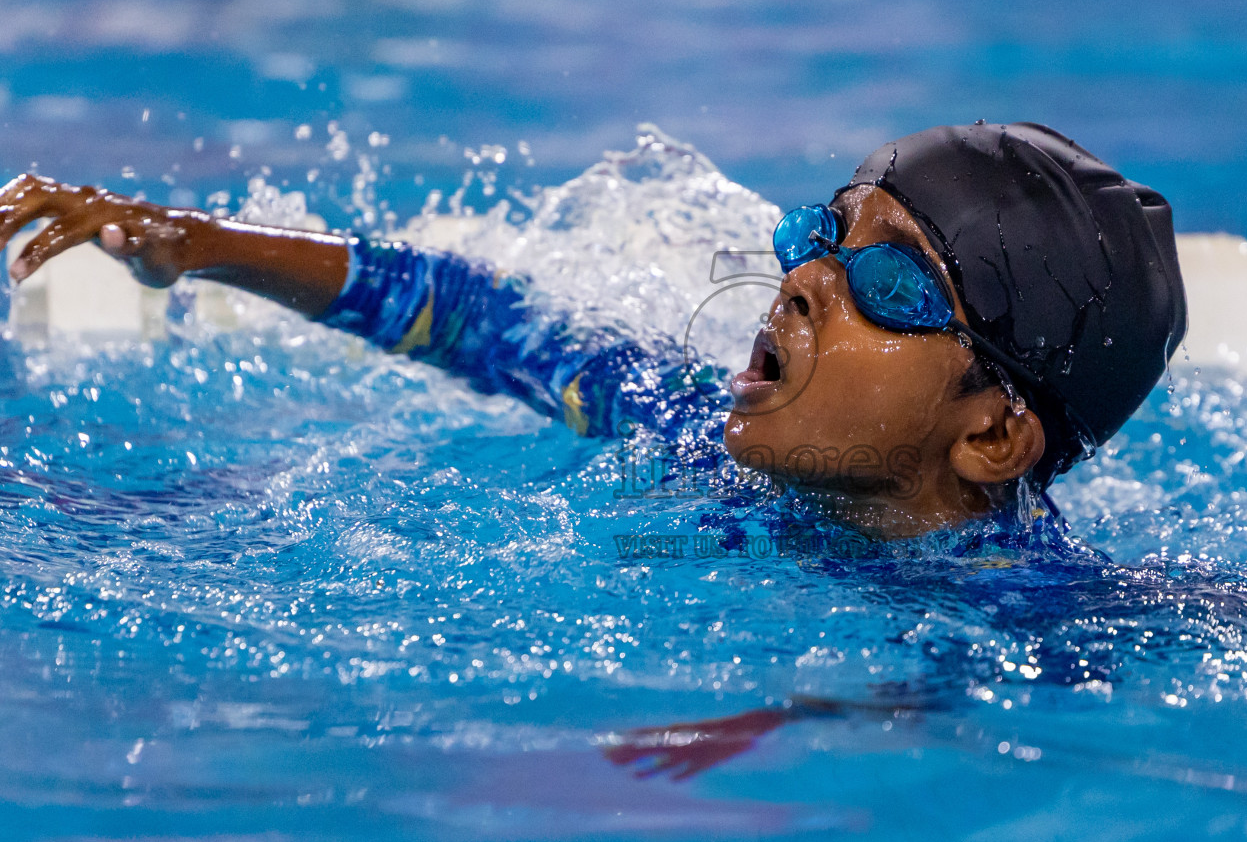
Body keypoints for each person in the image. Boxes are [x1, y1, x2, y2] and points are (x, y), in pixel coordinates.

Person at [0, 122, 1185, 541]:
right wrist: (194, 242)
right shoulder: (691, 433)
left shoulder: (1021, 622)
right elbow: (465, 314)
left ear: (991, 437)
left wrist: (813, 710)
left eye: (892, 281)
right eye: (819, 234)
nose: (802, 283)